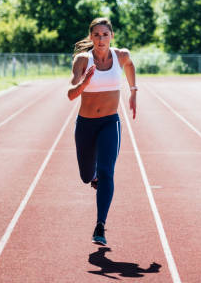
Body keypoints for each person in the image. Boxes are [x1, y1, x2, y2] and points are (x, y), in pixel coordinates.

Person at [67, 17, 137, 246]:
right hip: (86, 123)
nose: (100, 39)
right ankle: (93, 175)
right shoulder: (82, 60)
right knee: (87, 176)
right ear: (91, 37)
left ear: (111, 36)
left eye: (105, 34)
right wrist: (84, 83)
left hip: (110, 122)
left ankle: (100, 226)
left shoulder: (121, 56)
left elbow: (130, 66)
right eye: (96, 35)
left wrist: (133, 90)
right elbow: (70, 94)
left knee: (108, 172)